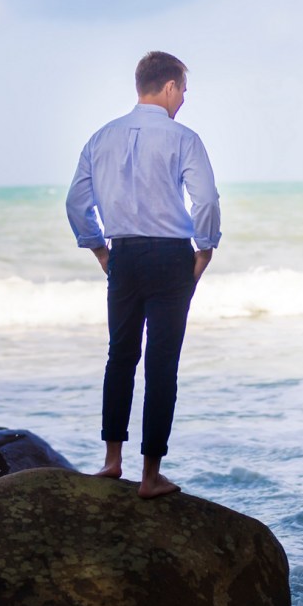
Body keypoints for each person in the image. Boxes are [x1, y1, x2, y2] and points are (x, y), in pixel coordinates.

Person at [66, 51, 221, 499]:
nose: (183, 101)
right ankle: (150, 476)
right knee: (161, 365)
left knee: (120, 357)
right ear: (170, 87)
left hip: (125, 257)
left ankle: (112, 461)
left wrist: (100, 250)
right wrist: (205, 249)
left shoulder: (100, 137)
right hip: (172, 256)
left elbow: (76, 204)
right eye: (184, 92)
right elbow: (206, 200)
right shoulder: (183, 138)